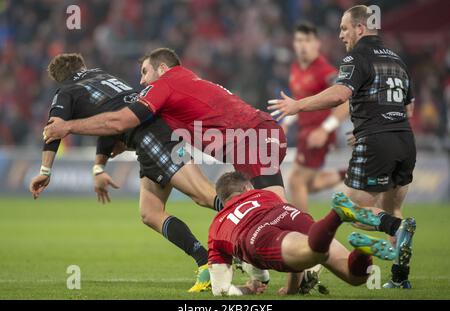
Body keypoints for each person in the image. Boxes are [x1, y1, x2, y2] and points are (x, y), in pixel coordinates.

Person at [29, 53, 226, 292]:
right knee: (150, 213)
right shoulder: (102, 76)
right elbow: (109, 123)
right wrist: (99, 167)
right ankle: (205, 261)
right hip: (154, 136)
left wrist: (45, 170)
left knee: (203, 195)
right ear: (82, 66)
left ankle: (257, 221)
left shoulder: (66, 92)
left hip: (154, 138)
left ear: (59, 79)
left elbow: (54, 131)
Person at [267, 5, 416, 289]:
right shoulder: (397, 59)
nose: (340, 35)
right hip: (405, 142)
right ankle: (400, 278)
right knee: (391, 206)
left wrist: (297, 106)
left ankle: (397, 229)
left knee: (348, 209)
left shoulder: (357, 57)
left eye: (345, 28)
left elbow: (339, 95)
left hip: (377, 144)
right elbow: (407, 109)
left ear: (360, 28)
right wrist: (371, 127)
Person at [42, 48, 288, 202]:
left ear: (162, 68)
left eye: (145, 72)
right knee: (265, 205)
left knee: (267, 208)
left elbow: (121, 120)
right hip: (256, 133)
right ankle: (294, 276)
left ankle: (313, 254)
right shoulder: (187, 82)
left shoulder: (165, 85)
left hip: (249, 138)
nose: (141, 80)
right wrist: (119, 148)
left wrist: (68, 127)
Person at [207, 171, 399, 296]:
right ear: (247, 188)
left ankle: (336, 215)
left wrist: (247, 289)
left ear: (223, 200)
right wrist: (291, 290)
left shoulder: (217, 225)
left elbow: (221, 290)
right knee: (356, 277)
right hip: (287, 213)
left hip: (256, 235)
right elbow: (296, 259)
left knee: (316, 253)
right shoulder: (266, 194)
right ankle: (362, 250)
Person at [282, 22, 349, 213]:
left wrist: (325, 129)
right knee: (308, 185)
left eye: (308, 40)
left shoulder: (324, 71)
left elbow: (346, 101)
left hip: (318, 133)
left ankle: (303, 231)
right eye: (299, 40)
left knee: (296, 182)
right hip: (305, 131)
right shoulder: (296, 68)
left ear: (317, 44)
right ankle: (350, 174)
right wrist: (287, 121)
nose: (303, 45)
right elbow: (302, 100)